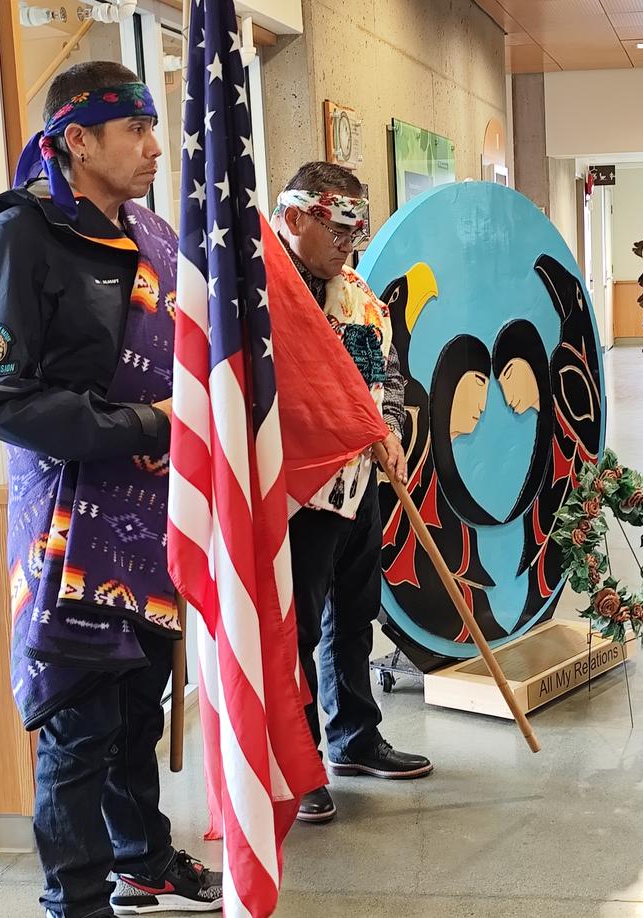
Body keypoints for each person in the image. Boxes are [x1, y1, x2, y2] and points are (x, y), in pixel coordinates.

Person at [0, 62, 221, 917]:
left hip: (151, 523)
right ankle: (75, 903)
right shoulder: (19, 238)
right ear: (76, 140)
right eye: (135, 131)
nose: (154, 148)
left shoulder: (149, 234)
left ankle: (142, 855)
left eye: (155, 128)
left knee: (139, 709)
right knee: (79, 732)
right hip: (69, 532)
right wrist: (150, 424)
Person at [271, 162, 432, 826]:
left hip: (361, 479)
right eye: (337, 230)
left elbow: (388, 376)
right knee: (298, 628)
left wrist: (388, 427)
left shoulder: (361, 295)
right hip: (296, 489)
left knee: (355, 612)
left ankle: (356, 737)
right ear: (296, 217)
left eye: (356, 231)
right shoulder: (262, 295)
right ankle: (297, 761)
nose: (348, 245)